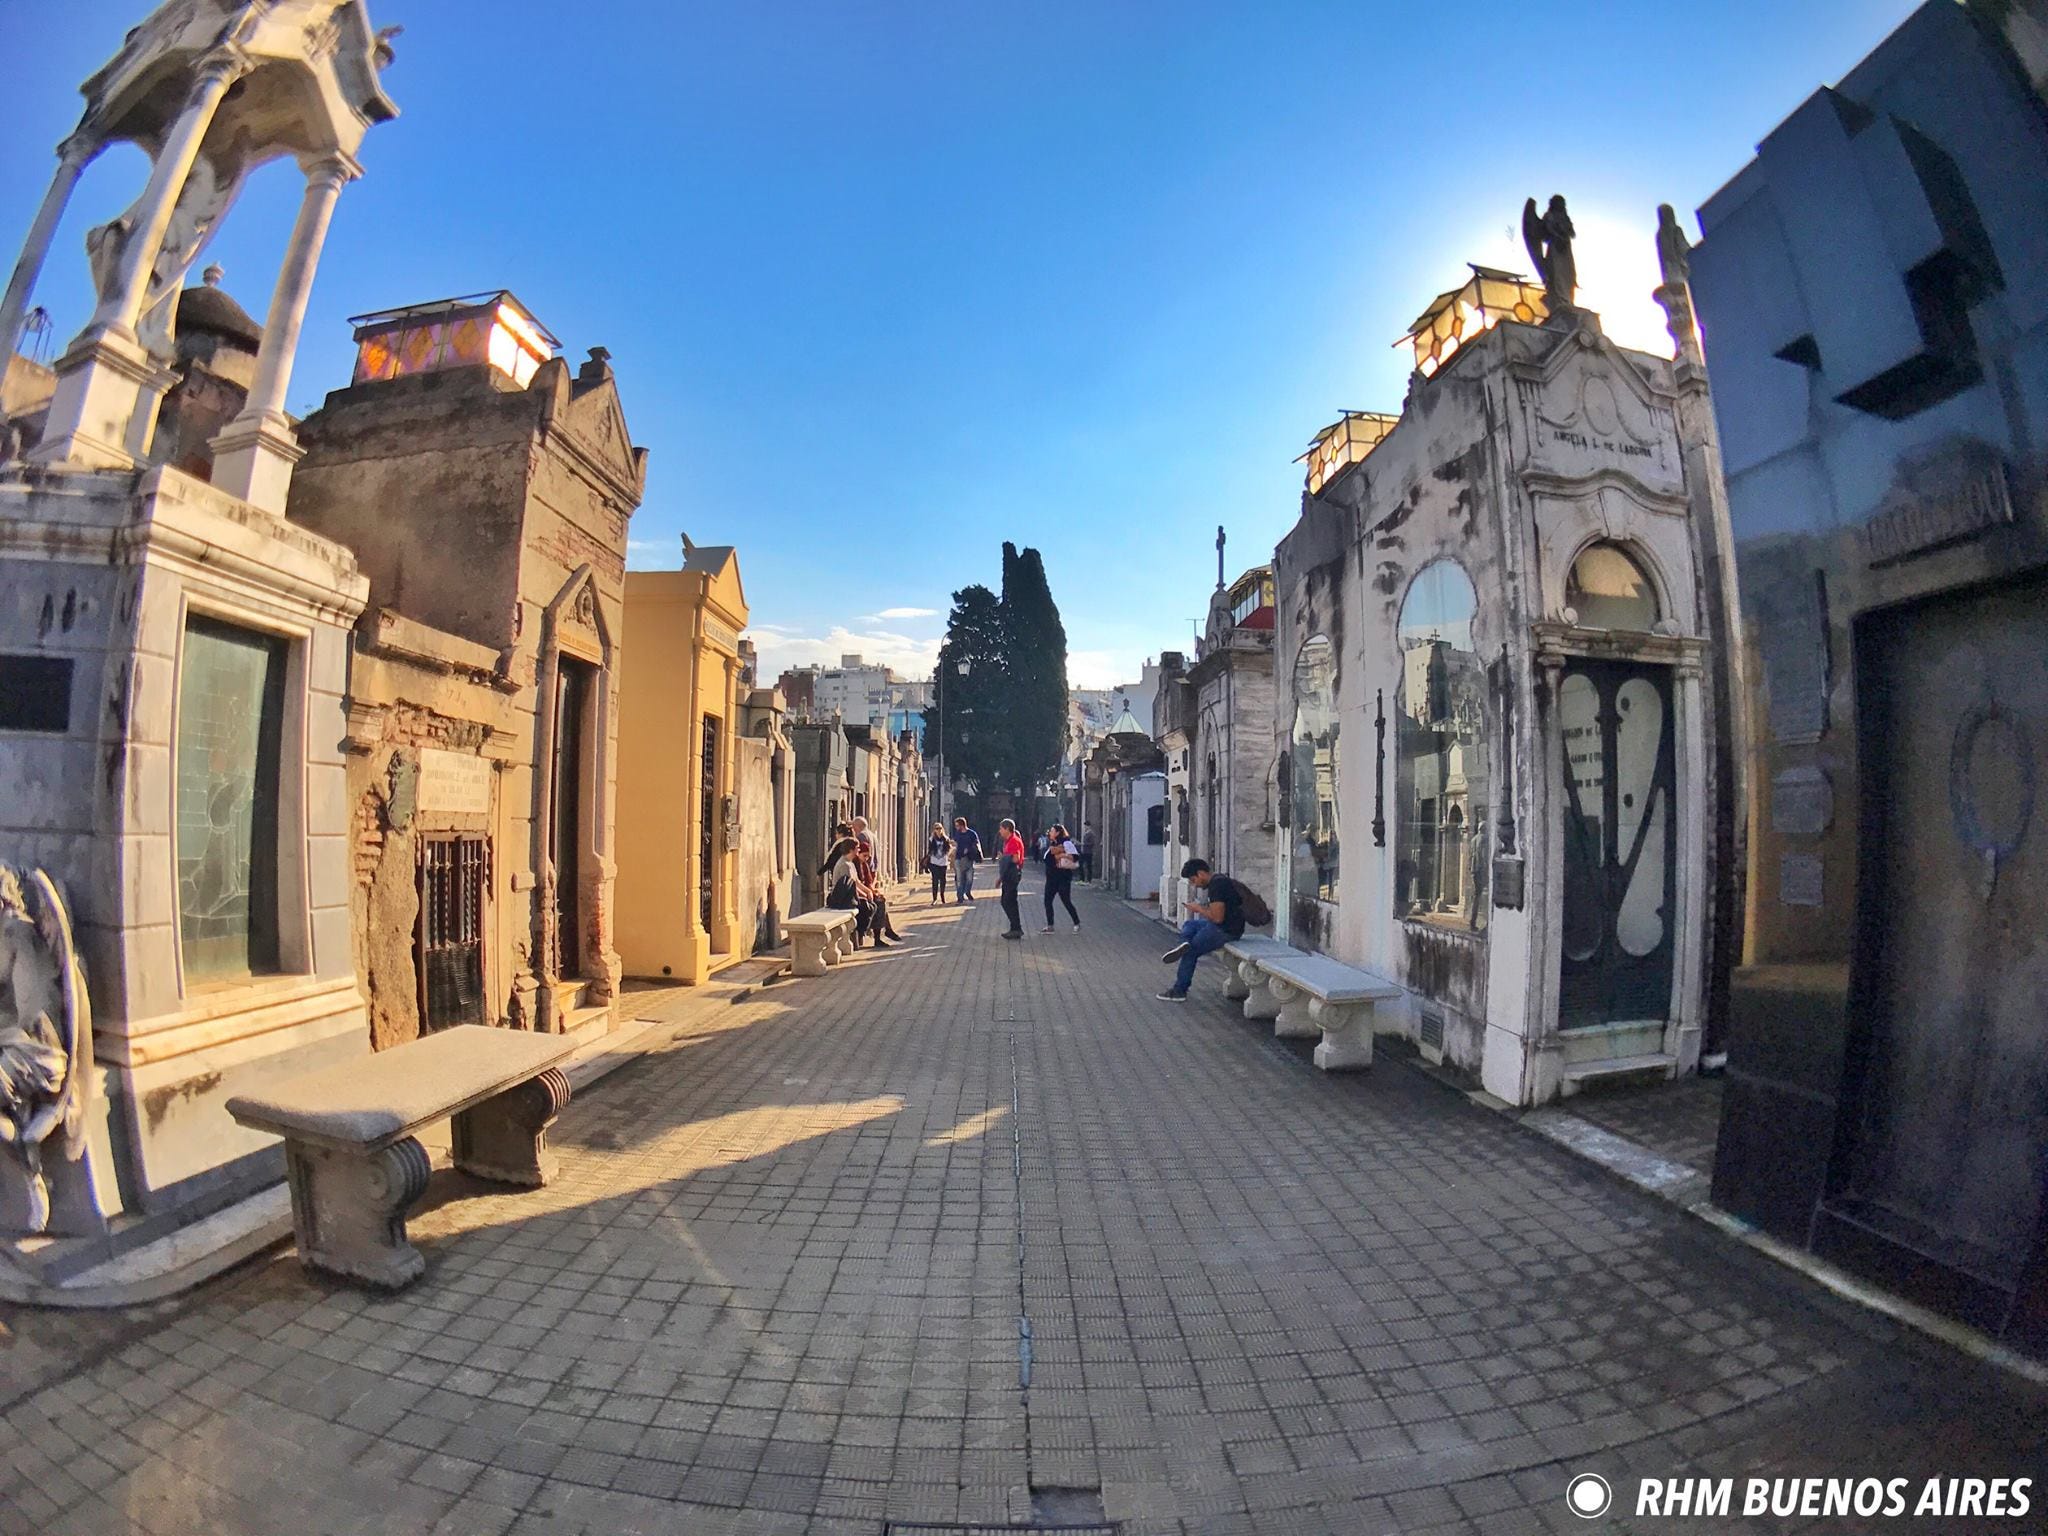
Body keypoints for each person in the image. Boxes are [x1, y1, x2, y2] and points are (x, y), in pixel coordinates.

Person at [1157, 858, 1246, 1000]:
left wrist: (1198, 909)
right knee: (1190, 925)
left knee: (1190, 953)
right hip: (1226, 925)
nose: (1194, 885)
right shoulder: (1219, 880)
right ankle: (1183, 944)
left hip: (1225, 930)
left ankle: (1179, 990)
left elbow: (1217, 918)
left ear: (1201, 873)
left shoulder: (1217, 886)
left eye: (1193, 880)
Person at [820, 824, 890, 948]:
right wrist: (866, 895)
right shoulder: (844, 865)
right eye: (857, 848)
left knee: (878, 903)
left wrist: (868, 891)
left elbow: (856, 881)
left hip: (851, 896)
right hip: (843, 898)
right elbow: (850, 886)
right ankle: (864, 932)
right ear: (851, 850)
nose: (858, 850)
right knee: (870, 906)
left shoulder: (850, 863)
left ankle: (875, 935)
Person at [1040, 823, 1081, 933]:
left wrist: (1062, 855)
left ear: (1058, 833)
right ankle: (1050, 925)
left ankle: (1076, 922)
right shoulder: (1052, 844)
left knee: (1066, 901)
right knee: (1047, 901)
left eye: (1052, 831)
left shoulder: (1066, 843)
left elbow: (1075, 857)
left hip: (1063, 877)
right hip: (1051, 878)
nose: (1050, 833)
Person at [996, 817, 1027, 940]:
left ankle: (1016, 928)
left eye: (1001, 828)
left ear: (1007, 829)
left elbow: (1016, 858)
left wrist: (1003, 858)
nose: (1000, 831)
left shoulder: (1014, 841)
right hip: (1007, 875)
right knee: (1008, 901)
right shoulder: (1008, 841)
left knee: (1008, 901)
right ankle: (1015, 927)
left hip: (1012, 874)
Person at [951, 816, 983, 902]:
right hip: (958, 858)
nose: (956, 827)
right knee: (959, 878)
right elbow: (955, 843)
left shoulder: (972, 833)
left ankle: (967, 891)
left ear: (962, 825)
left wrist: (969, 849)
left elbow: (976, 844)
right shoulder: (957, 833)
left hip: (969, 858)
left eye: (957, 825)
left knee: (969, 878)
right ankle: (960, 897)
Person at [925, 822, 953, 904]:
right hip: (934, 862)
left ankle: (942, 896)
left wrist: (947, 854)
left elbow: (949, 848)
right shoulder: (931, 839)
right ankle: (934, 898)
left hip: (943, 862)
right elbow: (930, 850)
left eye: (940, 828)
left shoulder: (946, 839)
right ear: (934, 830)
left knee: (943, 880)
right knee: (935, 880)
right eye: (937, 828)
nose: (939, 830)